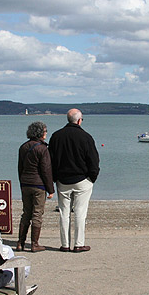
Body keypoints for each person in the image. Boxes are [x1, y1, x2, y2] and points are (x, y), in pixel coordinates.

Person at [48, 108, 100, 253]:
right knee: (80, 213)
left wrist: (54, 178)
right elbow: (93, 160)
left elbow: (51, 160)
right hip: (82, 179)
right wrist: (92, 178)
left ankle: (65, 244)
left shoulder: (56, 136)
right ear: (79, 120)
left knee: (64, 213)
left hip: (62, 180)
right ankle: (78, 244)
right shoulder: (86, 137)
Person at [17, 121, 55, 252]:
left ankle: (20, 242)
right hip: (38, 185)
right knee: (37, 214)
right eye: (45, 131)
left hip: (25, 183)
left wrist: (21, 182)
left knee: (26, 213)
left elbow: (20, 167)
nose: (46, 133)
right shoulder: (42, 148)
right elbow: (46, 170)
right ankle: (34, 243)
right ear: (40, 133)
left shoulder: (23, 147)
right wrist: (51, 189)